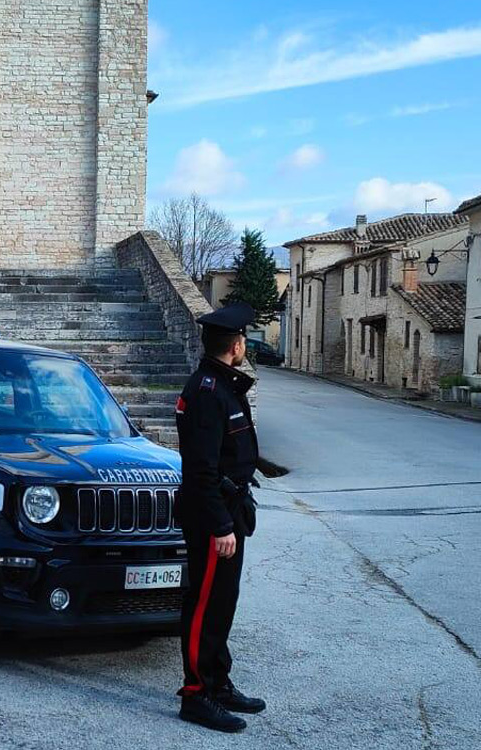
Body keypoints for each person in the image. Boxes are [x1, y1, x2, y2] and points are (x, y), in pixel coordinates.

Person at [174, 301, 267, 733]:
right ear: (236, 345)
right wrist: (220, 525)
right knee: (204, 604)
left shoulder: (224, 387)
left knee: (222, 603)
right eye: (243, 338)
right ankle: (196, 693)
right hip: (213, 515)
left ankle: (218, 681)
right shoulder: (208, 392)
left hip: (228, 509)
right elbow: (200, 470)